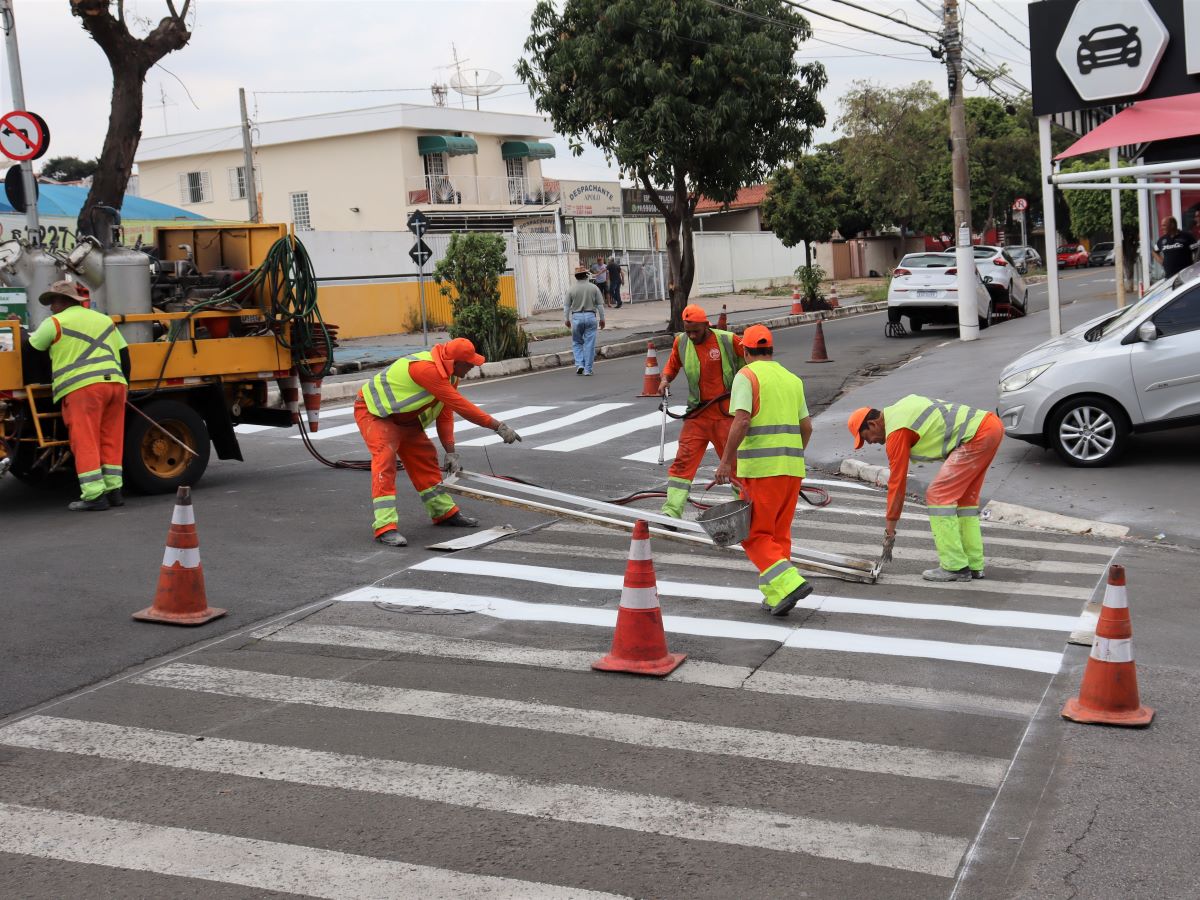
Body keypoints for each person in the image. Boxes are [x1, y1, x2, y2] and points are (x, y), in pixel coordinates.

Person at [354, 337, 523, 547]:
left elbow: (445, 414)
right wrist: (498, 426)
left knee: (425, 458)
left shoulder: (450, 376)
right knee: (385, 459)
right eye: (469, 363)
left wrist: (450, 452)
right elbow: (461, 406)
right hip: (375, 414)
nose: (472, 367)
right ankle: (385, 527)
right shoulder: (426, 369)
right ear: (454, 363)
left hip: (405, 419)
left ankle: (443, 513)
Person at [847, 395, 1004, 582]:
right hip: (990, 427)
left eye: (866, 438)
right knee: (965, 502)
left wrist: (890, 531)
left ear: (873, 424)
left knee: (938, 495)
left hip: (977, 435)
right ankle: (974, 564)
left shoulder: (896, 431)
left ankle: (954, 566)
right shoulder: (901, 409)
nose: (870, 442)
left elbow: (897, 484)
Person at [714, 325, 813, 617]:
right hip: (791, 469)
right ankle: (775, 595)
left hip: (761, 471)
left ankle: (790, 582)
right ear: (771, 350)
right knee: (778, 535)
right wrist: (791, 456)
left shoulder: (747, 376)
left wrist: (725, 462)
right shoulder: (792, 379)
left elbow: (742, 420)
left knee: (753, 535)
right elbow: (807, 427)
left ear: (745, 351)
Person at [27, 280, 130, 511]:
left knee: (85, 440)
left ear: (62, 302)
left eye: (52, 302)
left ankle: (94, 495)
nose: (51, 307)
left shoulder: (54, 323)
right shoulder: (104, 320)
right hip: (115, 385)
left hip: (82, 388)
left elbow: (32, 349)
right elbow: (124, 353)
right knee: (111, 438)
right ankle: (114, 491)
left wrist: (38, 379)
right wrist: (126, 385)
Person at [658, 304, 745, 519]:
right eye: (688, 331)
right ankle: (671, 511)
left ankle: (745, 509)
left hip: (725, 415)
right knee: (683, 462)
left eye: (695, 331)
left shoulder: (727, 340)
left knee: (736, 466)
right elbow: (672, 365)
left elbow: (752, 364)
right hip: (697, 415)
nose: (692, 336)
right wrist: (665, 379)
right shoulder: (681, 342)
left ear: (706, 325)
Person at [564, 263, 606, 375]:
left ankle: (580, 364)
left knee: (577, 342)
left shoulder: (571, 289)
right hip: (590, 316)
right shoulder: (594, 288)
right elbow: (600, 305)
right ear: (586, 275)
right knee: (589, 344)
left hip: (576, 317)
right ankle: (588, 369)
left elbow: (567, 306)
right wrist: (602, 319)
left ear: (576, 277)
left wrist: (566, 319)